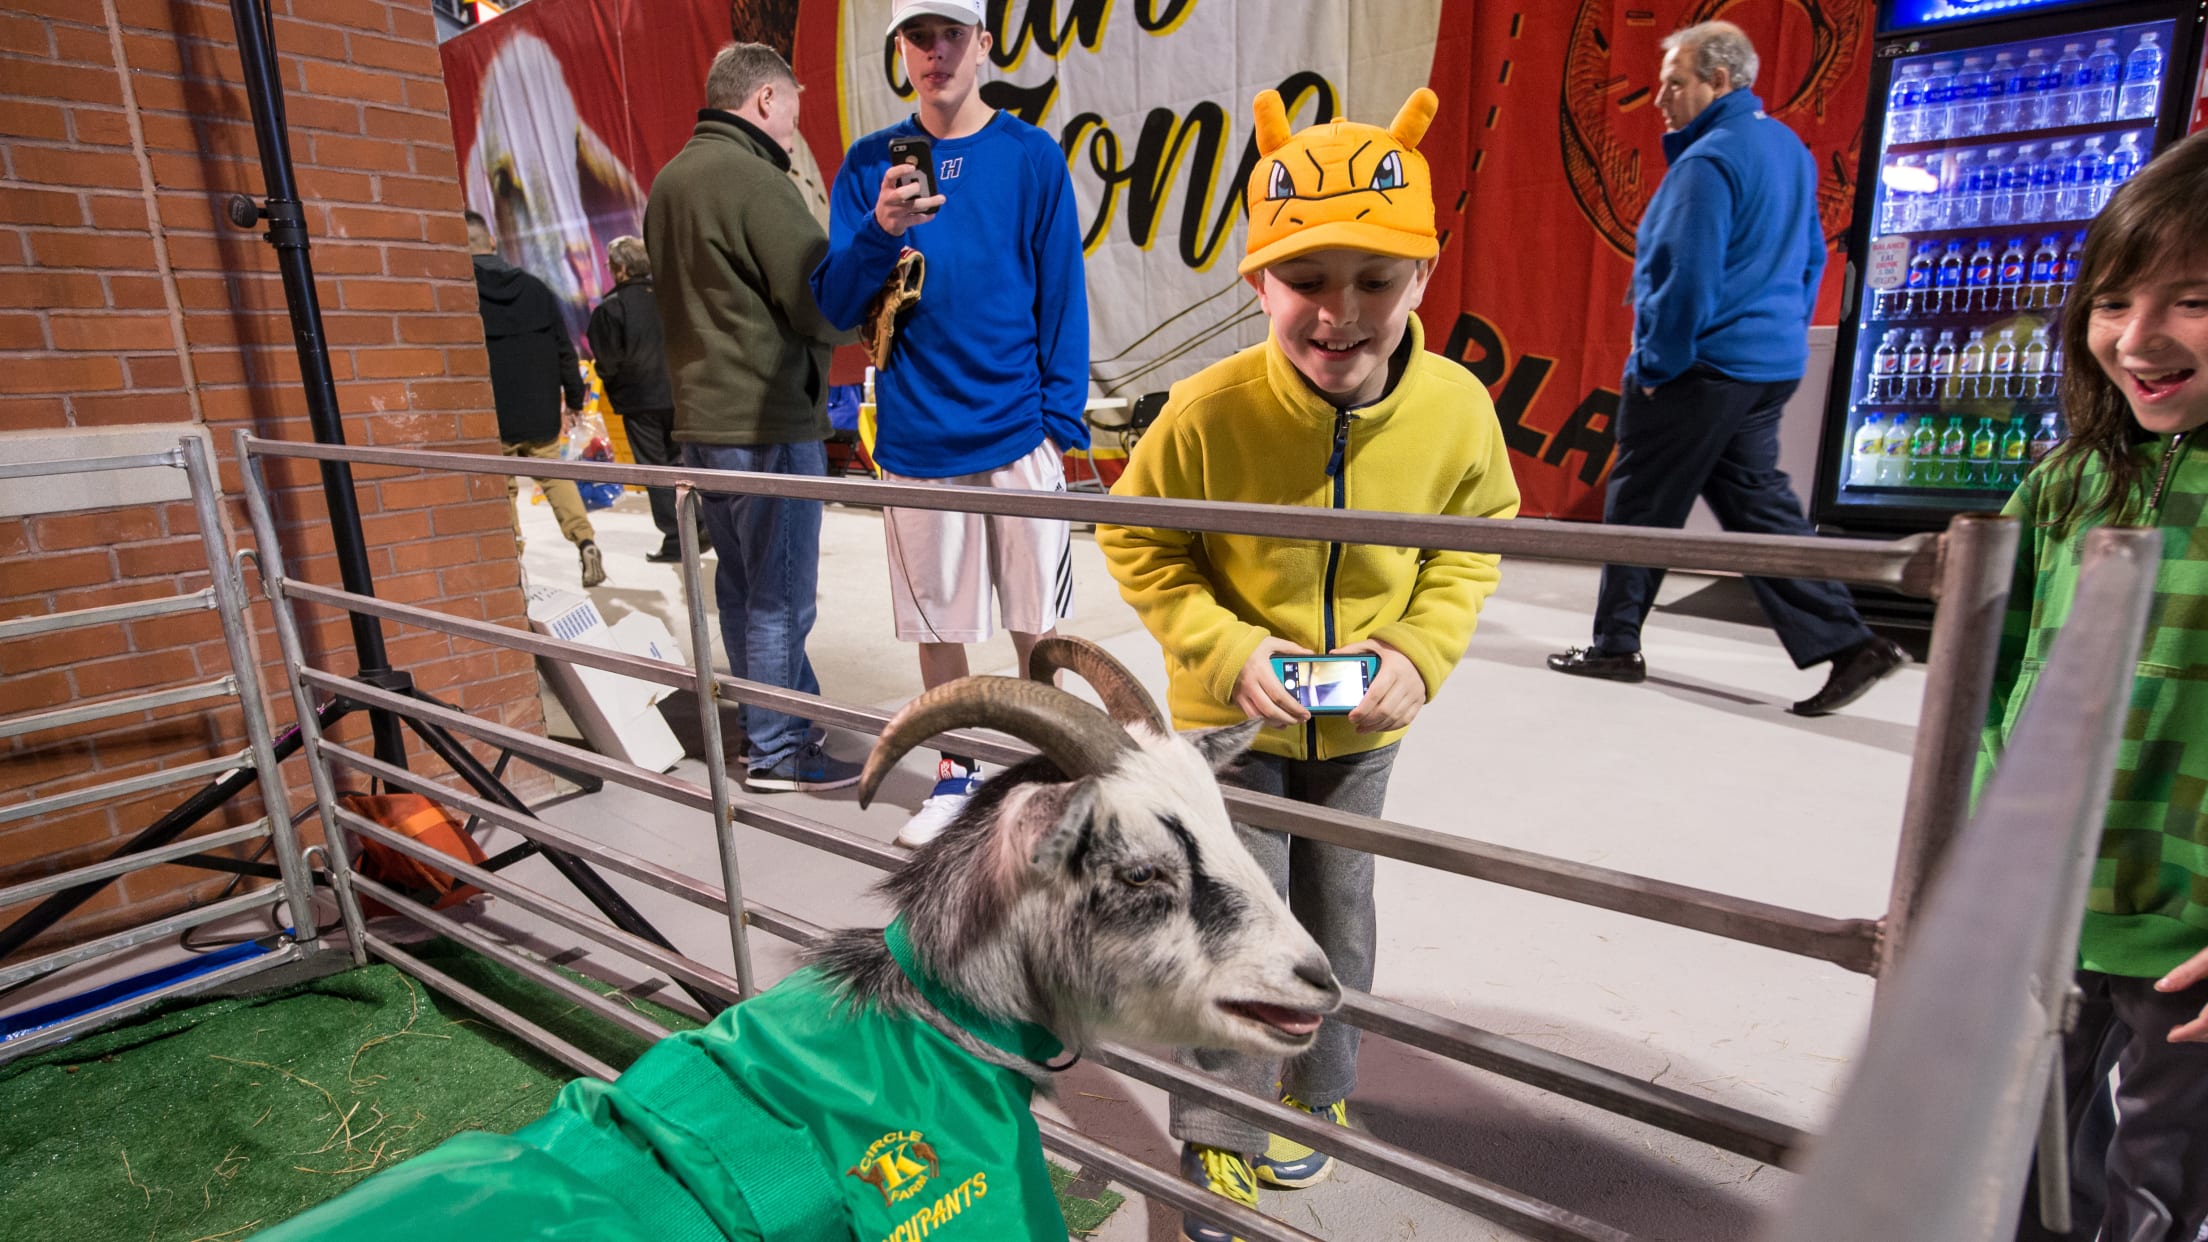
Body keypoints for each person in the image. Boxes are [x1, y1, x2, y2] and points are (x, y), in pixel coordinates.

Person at [1097, 87, 1520, 1242]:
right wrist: (1226, 649)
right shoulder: (1203, 410)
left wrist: (1419, 654)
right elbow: (1136, 534)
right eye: (1309, 282)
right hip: (1229, 732)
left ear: (1423, 277)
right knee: (1231, 927)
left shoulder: (1457, 412)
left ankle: (1318, 1100)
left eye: (1374, 280)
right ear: (1258, 285)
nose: (1340, 314)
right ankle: (1217, 1138)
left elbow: (1475, 548)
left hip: (1365, 734)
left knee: (1340, 917)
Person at [1544, 21, 1903, 717]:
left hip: (1698, 367)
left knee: (1640, 506)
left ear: (1721, 82)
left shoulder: (1708, 162)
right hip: (1765, 365)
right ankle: (1849, 643)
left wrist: (1657, 362)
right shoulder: (1788, 150)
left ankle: (1616, 644)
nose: (1661, 99)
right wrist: (1780, 336)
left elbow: (1685, 276)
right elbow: (1812, 260)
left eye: (1676, 83)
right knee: (1757, 511)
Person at [1986, 130, 2208, 1242]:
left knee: (2155, 1186)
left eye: (2195, 300)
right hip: (2055, 902)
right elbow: (1994, 684)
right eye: (2114, 299)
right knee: (2030, 1161)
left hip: (2192, 936)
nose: (2140, 338)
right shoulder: (2066, 484)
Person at [809, 0, 1090, 847]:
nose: (936, 54)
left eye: (951, 35)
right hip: (918, 435)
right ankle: (957, 772)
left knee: (1037, 621)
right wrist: (880, 228)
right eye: (918, 37)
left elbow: (1061, 293)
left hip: (1017, 430)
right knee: (937, 624)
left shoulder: (1030, 156)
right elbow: (832, 305)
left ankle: (1055, 771)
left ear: (983, 44)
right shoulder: (868, 165)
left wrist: (1058, 424)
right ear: (899, 49)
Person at [645, 43, 858, 792]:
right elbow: (818, 300)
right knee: (781, 596)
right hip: (766, 421)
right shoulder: (756, 179)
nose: (799, 119)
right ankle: (777, 754)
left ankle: (781, 723)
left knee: (742, 589)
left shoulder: (670, 182)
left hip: (703, 424)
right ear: (765, 100)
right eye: (795, 101)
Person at [469, 210, 605, 589]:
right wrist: (575, 401)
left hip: (494, 413)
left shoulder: (462, 295)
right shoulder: (535, 288)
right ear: (492, 242)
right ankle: (585, 541)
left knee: (504, 488)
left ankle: (513, 564)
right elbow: (565, 350)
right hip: (540, 409)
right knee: (555, 478)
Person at [584, 235, 684, 563]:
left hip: (640, 401)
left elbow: (608, 362)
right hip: (681, 395)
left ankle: (677, 537)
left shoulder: (612, 308)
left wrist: (611, 377)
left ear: (622, 269)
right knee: (684, 464)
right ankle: (699, 525)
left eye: (611, 266)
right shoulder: (671, 299)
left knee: (654, 471)